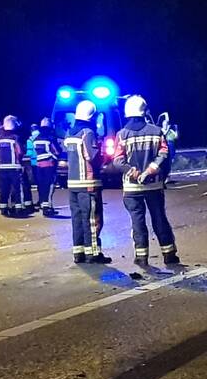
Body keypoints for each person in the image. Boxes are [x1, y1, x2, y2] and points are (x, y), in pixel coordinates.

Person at [115, 95, 179, 266]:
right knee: (159, 218)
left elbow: (118, 160)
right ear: (144, 112)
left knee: (137, 221)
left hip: (131, 188)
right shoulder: (157, 131)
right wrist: (151, 170)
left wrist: (134, 173)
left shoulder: (122, 135)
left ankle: (141, 257)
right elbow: (164, 154)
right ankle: (169, 254)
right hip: (154, 185)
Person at [64, 101, 111, 263]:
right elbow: (92, 156)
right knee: (92, 219)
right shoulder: (88, 132)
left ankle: (79, 253)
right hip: (88, 183)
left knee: (77, 219)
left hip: (73, 183)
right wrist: (103, 155)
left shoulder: (69, 132)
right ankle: (93, 253)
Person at [0, 115, 25, 216]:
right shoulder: (15, 138)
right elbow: (20, 151)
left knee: (4, 188)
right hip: (14, 167)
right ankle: (18, 208)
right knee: (17, 188)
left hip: (3, 167)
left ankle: (3, 208)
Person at [33, 117, 61, 216]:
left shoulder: (36, 138)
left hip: (39, 165)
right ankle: (47, 207)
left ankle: (42, 204)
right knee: (49, 186)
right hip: (49, 164)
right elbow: (56, 151)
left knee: (42, 185)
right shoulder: (50, 138)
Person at [20, 123, 37, 213]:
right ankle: (41, 202)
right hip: (44, 163)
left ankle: (24, 205)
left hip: (33, 163)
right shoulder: (42, 136)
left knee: (23, 183)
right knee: (42, 185)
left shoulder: (30, 139)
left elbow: (29, 153)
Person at [157, 112, 179, 184]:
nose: (166, 125)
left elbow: (176, 137)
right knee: (164, 162)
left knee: (170, 162)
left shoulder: (170, 131)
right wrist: (164, 115)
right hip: (165, 148)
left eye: (167, 124)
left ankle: (167, 176)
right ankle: (163, 177)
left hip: (171, 146)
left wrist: (176, 129)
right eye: (164, 124)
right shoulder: (161, 131)